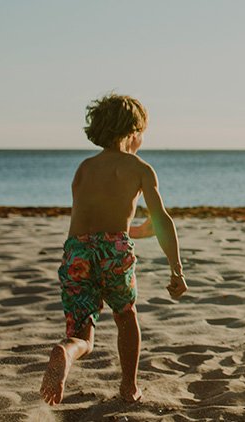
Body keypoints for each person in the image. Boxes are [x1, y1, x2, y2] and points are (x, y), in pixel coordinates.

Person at [40, 94, 188, 405]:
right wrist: (176, 268)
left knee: (82, 335)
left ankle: (66, 353)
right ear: (133, 131)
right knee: (125, 315)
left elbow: (90, 223)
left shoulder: (84, 168)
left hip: (76, 252)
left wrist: (131, 232)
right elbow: (161, 219)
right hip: (115, 253)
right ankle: (129, 387)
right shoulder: (139, 168)